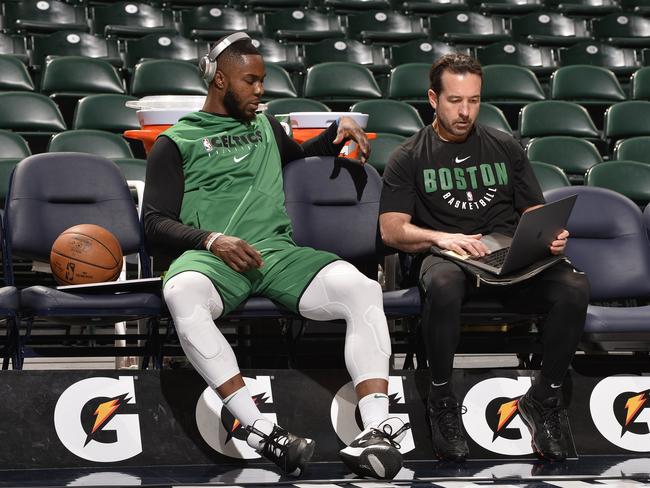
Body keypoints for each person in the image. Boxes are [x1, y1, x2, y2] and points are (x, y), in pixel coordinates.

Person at [142, 32, 409, 479]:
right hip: (214, 257)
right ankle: (257, 426)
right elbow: (153, 223)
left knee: (363, 289)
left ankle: (378, 425)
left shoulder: (266, 126)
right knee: (182, 291)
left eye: (263, 81)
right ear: (220, 81)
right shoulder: (176, 142)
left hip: (277, 254)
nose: (261, 90)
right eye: (251, 81)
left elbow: (298, 157)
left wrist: (334, 133)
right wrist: (211, 240)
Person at [379, 53, 589, 462]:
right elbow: (392, 229)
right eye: (455, 100)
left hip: (508, 253)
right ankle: (441, 399)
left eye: (473, 101)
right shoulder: (409, 155)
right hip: (447, 255)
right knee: (441, 283)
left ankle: (543, 399)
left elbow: (531, 209)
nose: (465, 111)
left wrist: (549, 236)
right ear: (432, 99)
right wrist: (445, 238)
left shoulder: (504, 145)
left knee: (574, 285)